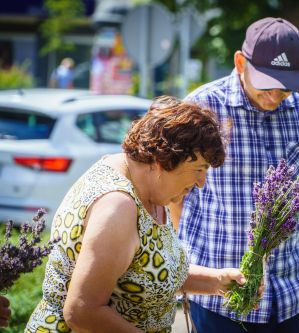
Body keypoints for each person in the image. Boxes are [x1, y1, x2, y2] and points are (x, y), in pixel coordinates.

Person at [25, 96, 246, 332]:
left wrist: (217, 281)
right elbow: (81, 311)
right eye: (198, 169)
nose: (201, 183)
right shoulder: (117, 207)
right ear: (164, 160)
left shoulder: (150, 189)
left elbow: (148, 273)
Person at [172, 17, 299, 333]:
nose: (274, 96)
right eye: (266, 84)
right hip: (222, 298)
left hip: (292, 292)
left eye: (285, 88)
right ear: (239, 62)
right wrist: (188, 262)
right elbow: (177, 192)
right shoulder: (202, 106)